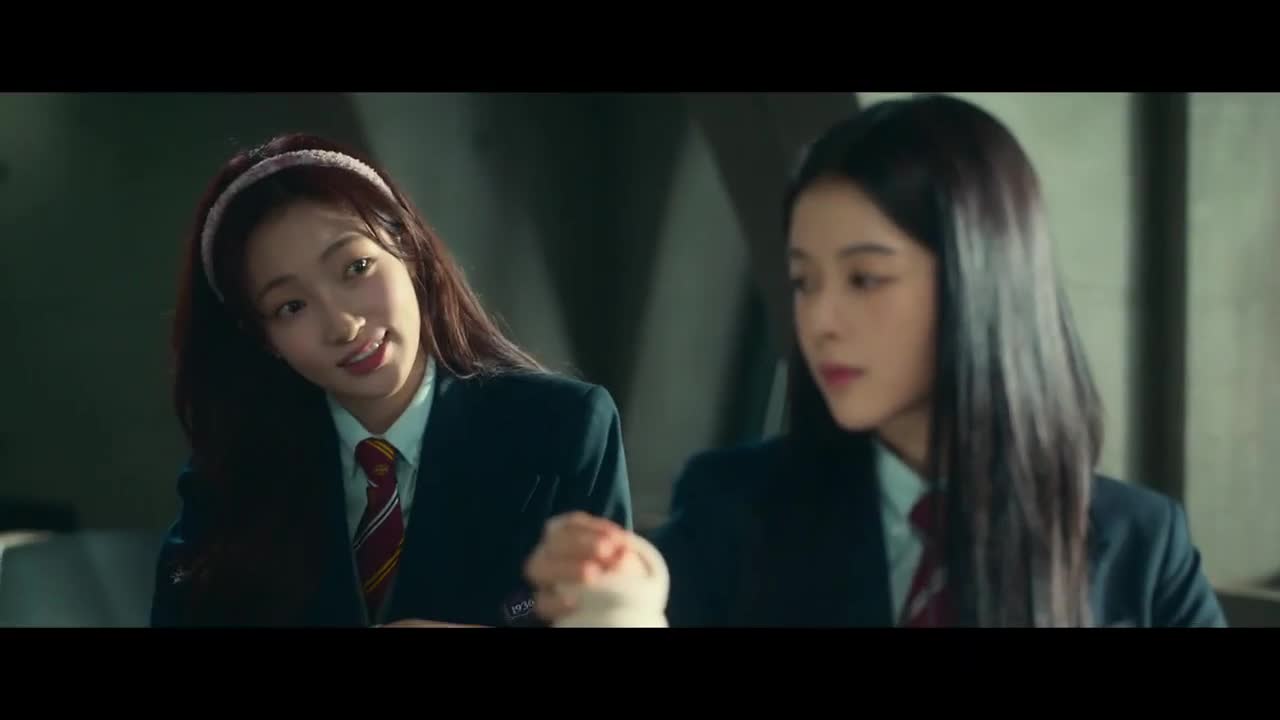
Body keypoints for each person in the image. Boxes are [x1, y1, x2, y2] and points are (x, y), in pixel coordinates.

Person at [524, 94, 1227, 627]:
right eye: (804, 282)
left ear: (982, 283)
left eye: (864, 278)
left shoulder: (1140, 547)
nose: (819, 320)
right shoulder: (737, 512)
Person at [152, 133, 632, 627]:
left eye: (356, 268)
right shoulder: (234, 474)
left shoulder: (561, 429)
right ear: (264, 338)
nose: (343, 326)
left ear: (408, 249)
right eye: (291, 306)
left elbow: (608, 615)